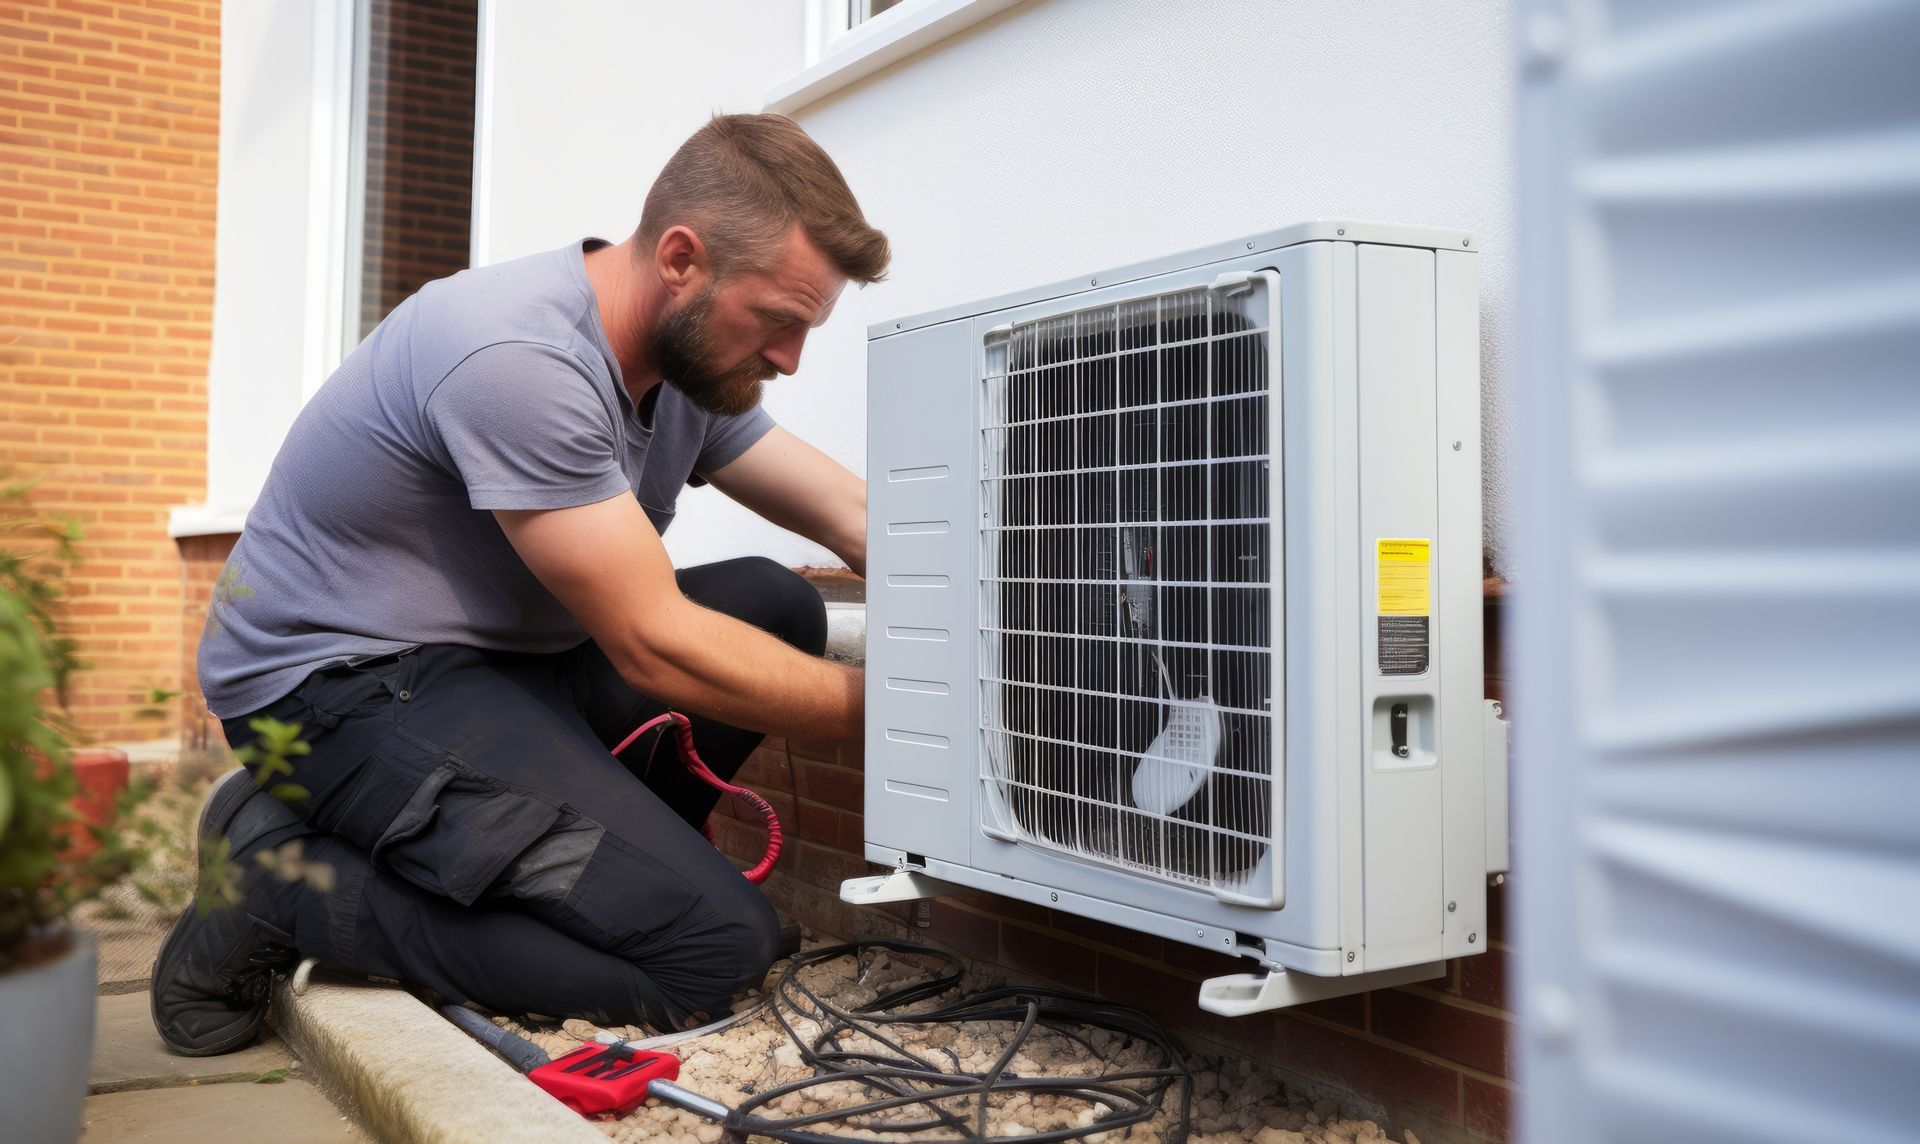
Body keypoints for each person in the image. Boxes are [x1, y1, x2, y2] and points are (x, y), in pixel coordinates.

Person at [150, 113, 887, 1056]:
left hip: (490, 669)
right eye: (779, 319)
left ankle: (606, 894)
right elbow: (653, 644)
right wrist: (901, 709)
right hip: (337, 689)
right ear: (680, 259)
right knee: (710, 955)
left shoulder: (688, 365)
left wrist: (1017, 614)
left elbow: (854, 516)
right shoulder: (516, 357)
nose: (789, 359)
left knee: (774, 603)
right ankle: (284, 886)